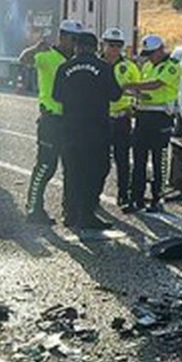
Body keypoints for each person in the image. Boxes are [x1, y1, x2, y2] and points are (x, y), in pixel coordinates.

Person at [53, 31, 122, 230]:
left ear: (77, 47)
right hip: (96, 129)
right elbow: (115, 95)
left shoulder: (64, 67)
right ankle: (87, 212)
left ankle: (70, 212)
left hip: (70, 127)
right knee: (96, 170)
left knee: (72, 171)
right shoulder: (103, 68)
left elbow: (57, 95)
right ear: (95, 47)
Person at [19, 20, 79, 224]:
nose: (75, 43)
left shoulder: (78, 60)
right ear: (62, 37)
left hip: (72, 121)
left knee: (72, 168)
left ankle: (69, 211)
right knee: (46, 166)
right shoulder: (47, 56)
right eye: (73, 39)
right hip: (51, 120)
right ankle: (34, 208)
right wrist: (35, 48)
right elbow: (24, 60)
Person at [127, 34, 181, 213]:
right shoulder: (148, 65)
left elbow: (157, 84)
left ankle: (158, 197)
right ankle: (136, 198)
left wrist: (133, 85)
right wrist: (136, 94)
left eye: (152, 53)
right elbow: (144, 87)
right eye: (147, 53)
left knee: (160, 158)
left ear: (160, 49)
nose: (149, 57)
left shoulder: (172, 66)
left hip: (161, 117)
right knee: (139, 159)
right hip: (143, 115)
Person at [101, 28, 142, 210]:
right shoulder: (96, 65)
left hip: (122, 119)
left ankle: (123, 194)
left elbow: (138, 91)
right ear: (103, 44)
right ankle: (94, 194)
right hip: (100, 119)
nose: (115, 49)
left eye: (118, 45)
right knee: (99, 160)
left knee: (123, 160)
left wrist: (133, 107)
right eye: (111, 45)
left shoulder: (130, 67)